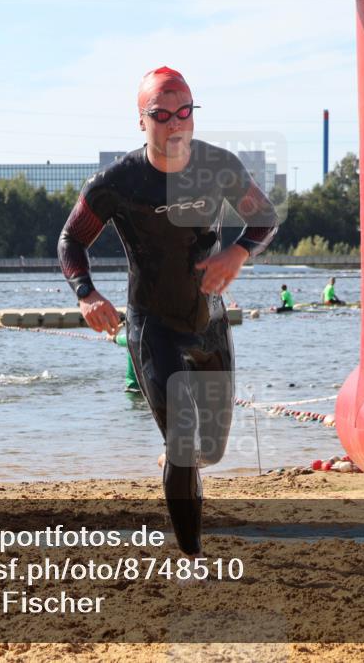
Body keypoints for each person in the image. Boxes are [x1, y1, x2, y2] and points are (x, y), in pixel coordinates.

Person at [57, 67, 278, 559]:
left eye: (184, 112)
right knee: (183, 441)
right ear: (142, 121)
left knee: (211, 449)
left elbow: (264, 218)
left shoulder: (219, 166)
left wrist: (237, 253)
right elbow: (71, 238)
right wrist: (86, 293)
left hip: (210, 322)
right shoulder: (117, 181)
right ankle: (194, 555)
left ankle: (181, 469)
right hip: (153, 326)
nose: (175, 123)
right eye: (162, 115)